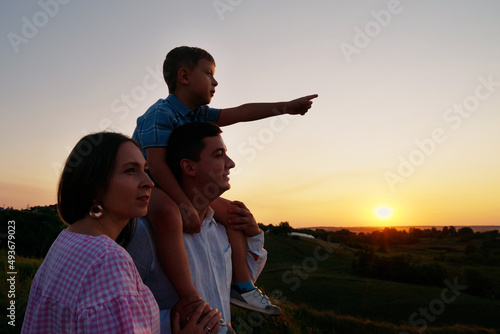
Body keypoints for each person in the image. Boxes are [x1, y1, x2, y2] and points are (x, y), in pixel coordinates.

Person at [132, 45, 317, 315]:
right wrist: (184, 205)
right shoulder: (161, 114)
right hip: (149, 184)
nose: (215, 81)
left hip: (175, 183)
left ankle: (242, 285)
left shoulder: (197, 114)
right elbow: (157, 167)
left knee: (233, 213)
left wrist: (286, 108)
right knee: (170, 216)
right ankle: (192, 302)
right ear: (184, 76)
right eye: (209, 73)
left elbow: (240, 112)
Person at [21, 132, 220, 334]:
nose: (148, 182)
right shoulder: (108, 260)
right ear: (95, 185)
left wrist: (168, 322)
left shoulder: (67, 240)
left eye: (145, 170)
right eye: (131, 171)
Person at [127, 122, 273, 333]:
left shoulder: (222, 229)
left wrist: (254, 235)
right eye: (218, 155)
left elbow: (240, 284)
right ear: (189, 167)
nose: (230, 163)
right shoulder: (145, 234)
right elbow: (118, 313)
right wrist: (169, 325)